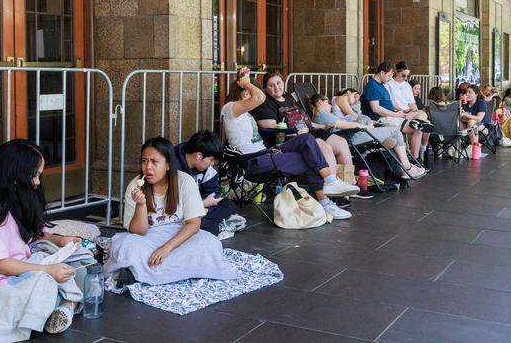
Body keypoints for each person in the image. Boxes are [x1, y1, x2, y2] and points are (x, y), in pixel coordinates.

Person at [0, 139, 90, 334]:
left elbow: (29, 234)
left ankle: (64, 306)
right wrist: (47, 270)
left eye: (39, 175)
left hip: (14, 271)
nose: (37, 182)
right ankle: (67, 304)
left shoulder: (15, 198)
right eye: (34, 175)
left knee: (80, 267)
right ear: (16, 175)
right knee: (42, 284)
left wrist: (59, 241)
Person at [221, 67, 356, 219]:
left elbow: (258, 97)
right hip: (254, 162)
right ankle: (326, 202)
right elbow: (260, 98)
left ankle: (330, 182)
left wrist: (244, 77)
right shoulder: (229, 109)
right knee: (311, 156)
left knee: (307, 140)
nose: (253, 94)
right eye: (250, 91)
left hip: (266, 154)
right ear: (246, 92)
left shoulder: (243, 112)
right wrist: (247, 83)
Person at [105, 137, 238, 287]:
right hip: (147, 238)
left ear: (168, 164)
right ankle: (171, 271)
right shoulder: (135, 186)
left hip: (177, 235)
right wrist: (141, 205)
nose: (148, 167)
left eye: (154, 162)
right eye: (144, 161)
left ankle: (139, 273)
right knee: (125, 246)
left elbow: (194, 224)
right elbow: (138, 232)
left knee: (210, 243)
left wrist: (166, 248)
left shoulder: (185, 181)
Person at [252, 72, 367, 198]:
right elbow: (269, 127)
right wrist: (295, 132)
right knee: (324, 147)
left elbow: (304, 121)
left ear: (283, 83)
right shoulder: (267, 104)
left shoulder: (289, 99)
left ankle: (349, 183)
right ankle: (332, 190)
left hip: (310, 130)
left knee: (341, 143)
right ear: (266, 89)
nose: (276, 87)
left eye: (278, 83)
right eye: (271, 85)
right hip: (293, 138)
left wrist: (322, 126)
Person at [309, 94, 425, 179]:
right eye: (327, 102)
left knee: (390, 136)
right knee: (395, 132)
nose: (330, 104)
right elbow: (341, 124)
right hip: (351, 137)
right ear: (320, 102)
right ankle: (407, 167)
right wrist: (363, 126)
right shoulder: (321, 115)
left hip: (351, 135)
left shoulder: (323, 116)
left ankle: (396, 161)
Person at [175, 130, 245, 240]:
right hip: (179, 209)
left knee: (228, 204)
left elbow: (213, 194)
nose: (212, 164)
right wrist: (200, 205)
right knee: (192, 222)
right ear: (198, 155)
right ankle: (220, 227)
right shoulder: (173, 167)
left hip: (200, 207)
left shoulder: (207, 169)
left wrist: (206, 206)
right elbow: (171, 201)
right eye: (211, 160)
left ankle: (215, 223)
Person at [362, 61, 432, 160]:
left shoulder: (381, 84)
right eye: (390, 76)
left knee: (420, 119)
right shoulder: (373, 86)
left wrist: (401, 111)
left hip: (392, 115)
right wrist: (397, 115)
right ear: (382, 73)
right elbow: (376, 109)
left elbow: (391, 102)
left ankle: (415, 157)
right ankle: (415, 159)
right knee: (418, 128)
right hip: (384, 118)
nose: (390, 78)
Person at [386, 61, 431, 158]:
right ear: (396, 72)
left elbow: (412, 103)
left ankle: (415, 157)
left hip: (409, 113)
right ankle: (415, 157)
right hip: (397, 112)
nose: (406, 78)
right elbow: (391, 102)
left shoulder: (407, 85)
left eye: (407, 76)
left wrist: (413, 108)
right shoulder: (389, 83)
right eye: (403, 75)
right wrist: (402, 110)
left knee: (422, 116)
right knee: (421, 125)